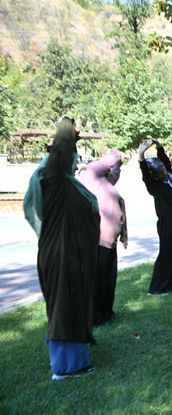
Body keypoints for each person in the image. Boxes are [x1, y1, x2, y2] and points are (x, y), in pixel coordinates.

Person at [23, 117, 99, 380]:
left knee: (73, 305)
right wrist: (68, 127)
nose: (75, 161)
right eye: (72, 155)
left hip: (71, 255)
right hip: (61, 255)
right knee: (64, 307)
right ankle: (65, 367)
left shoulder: (65, 183)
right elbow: (61, 149)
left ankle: (77, 361)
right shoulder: (51, 178)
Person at [138, 138, 172, 295]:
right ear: (154, 174)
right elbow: (145, 175)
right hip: (169, 225)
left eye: (163, 168)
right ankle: (157, 288)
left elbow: (165, 162)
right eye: (160, 170)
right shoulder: (155, 186)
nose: (163, 170)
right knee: (167, 255)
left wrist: (158, 145)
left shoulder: (170, 178)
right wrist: (141, 155)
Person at [78, 149, 128, 326]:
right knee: (97, 281)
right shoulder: (89, 174)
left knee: (108, 278)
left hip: (110, 240)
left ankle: (106, 313)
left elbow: (114, 171)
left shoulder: (105, 182)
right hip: (97, 240)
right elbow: (110, 161)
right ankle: (95, 318)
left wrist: (119, 163)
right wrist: (116, 154)